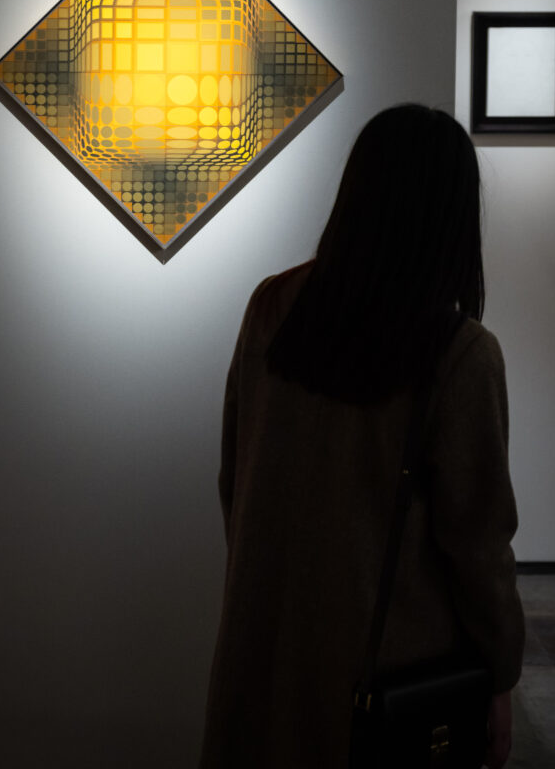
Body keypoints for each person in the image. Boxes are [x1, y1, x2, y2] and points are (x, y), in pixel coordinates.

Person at [199, 104, 524, 769]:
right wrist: (500, 672)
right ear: (453, 215)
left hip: (261, 653)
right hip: (382, 684)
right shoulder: (460, 353)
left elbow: (236, 475)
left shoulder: (272, 307)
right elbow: (478, 547)